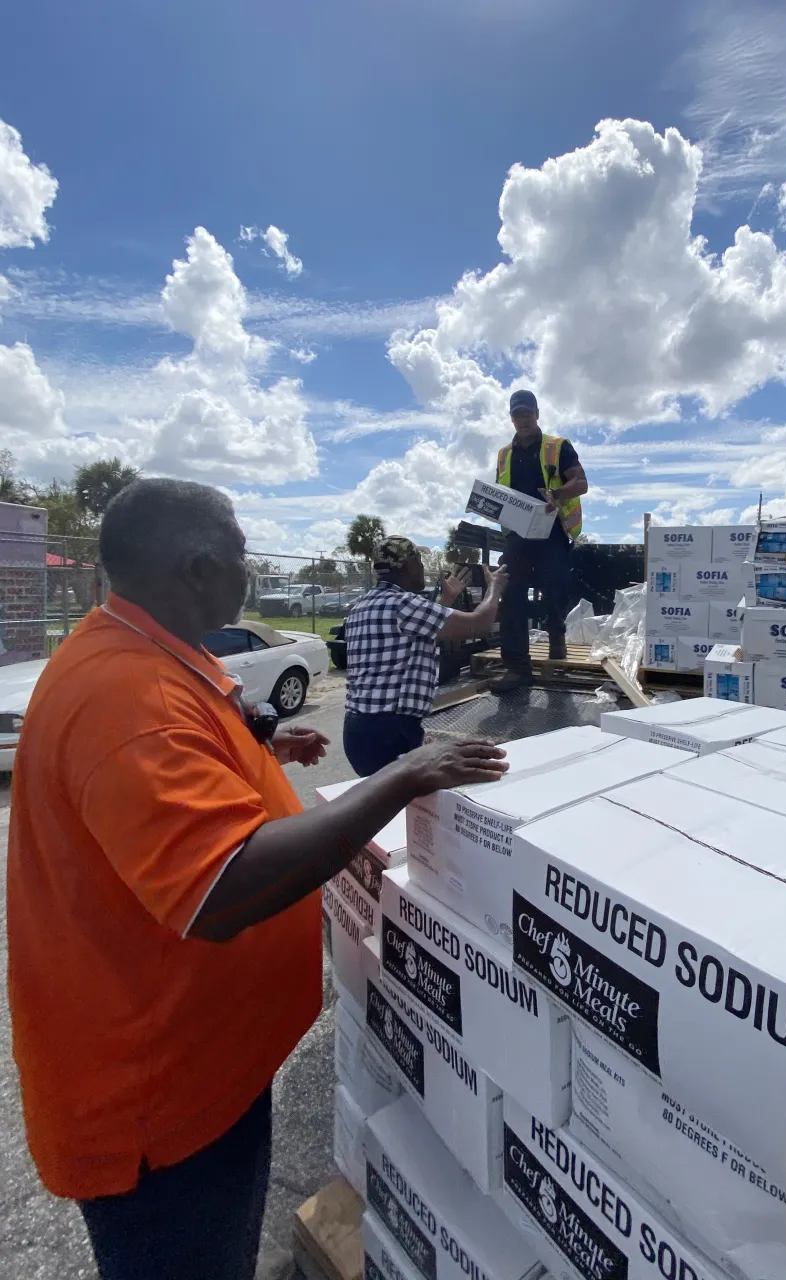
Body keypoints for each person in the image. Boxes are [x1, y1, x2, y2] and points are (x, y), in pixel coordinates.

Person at [6, 479, 507, 1280]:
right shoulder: (125, 697)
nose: (249, 571)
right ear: (199, 568)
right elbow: (222, 887)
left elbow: (179, 764)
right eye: (241, 555)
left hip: (204, 1071)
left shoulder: (151, 650)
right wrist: (404, 775)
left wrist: (263, 748)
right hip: (159, 1111)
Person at [343, 535, 508, 776]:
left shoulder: (361, 606)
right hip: (389, 731)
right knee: (403, 802)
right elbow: (480, 623)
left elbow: (423, 634)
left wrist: (448, 597)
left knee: (388, 805)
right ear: (407, 565)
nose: (422, 568)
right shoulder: (403, 604)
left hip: (360, 730)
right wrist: (494, 588)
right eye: (419, 561)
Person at [494, 388, 588, 690]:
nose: (521, 420)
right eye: (516, 414)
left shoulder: (557, 446)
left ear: (536, 414)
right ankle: (517, 669)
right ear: (511, 418)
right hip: (519, 534)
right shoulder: (504, 454)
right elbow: (500, 491)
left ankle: (556, 634)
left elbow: (581, 482)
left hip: (552, 532)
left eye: (526, 413)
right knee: (510, 595)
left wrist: (557, 494)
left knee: (556, 588)